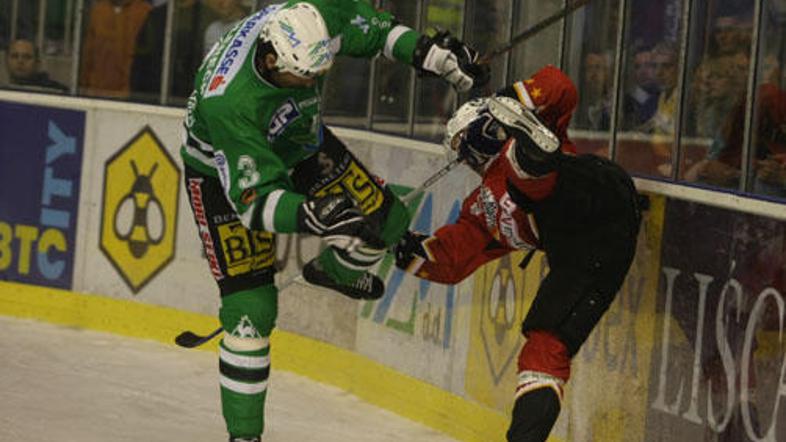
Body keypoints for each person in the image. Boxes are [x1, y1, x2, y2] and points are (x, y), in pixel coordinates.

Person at [180, 1, 488, 441]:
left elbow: (376, 33)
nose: (314, 83)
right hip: (218, 175)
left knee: (389, 221)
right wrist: (312, 216)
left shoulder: (313, 17)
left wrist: (432, 55)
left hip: (302, 145)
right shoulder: (229, 103)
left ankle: (336, 271)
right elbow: (253, 203)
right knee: (252, 311)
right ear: (270, 61)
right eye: (304, 76)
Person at [393, 65, 643, 442]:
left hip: (594, 191)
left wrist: (509, 100)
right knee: (544, 345)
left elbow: (561, 86)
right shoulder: (479, 208)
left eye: (462, 147)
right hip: (586, 254)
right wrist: (395, 242)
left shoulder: (525, 142)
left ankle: (533, 160)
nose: (464, 158)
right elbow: (450, 262)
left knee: (533, 177)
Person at [79, 0, 152, 98]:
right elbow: (88, 56)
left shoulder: (145, 12)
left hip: (128, 98)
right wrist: (84, 89)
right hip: (95, 93)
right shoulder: (98, 11)